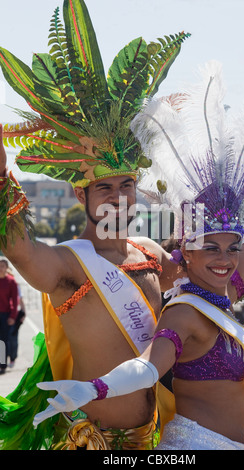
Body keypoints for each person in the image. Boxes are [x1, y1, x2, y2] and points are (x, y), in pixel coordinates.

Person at [33, 61, 244, 451]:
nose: (226, 258)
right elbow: (148, 368)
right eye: (211, 248)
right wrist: (93, 389)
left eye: (230, 249)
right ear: (185, 254)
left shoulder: (220, 297)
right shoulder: (184, 311)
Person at [0, 0, 190, 450]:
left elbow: (207, 280)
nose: (119, 196)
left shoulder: (151, 253)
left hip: (157, 438)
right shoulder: (68, 263)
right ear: (78, 194)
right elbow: (20, 248)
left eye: (127, 184)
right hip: (92, 442)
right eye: (104, 188)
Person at [0, 258, 18, 374]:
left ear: (6, 268)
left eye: (2, 266)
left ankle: (2, 365)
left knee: (2, 341)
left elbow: (15, 301)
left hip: (5, 315)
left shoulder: (11, 282)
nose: (0, 268)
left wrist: (13, 316)